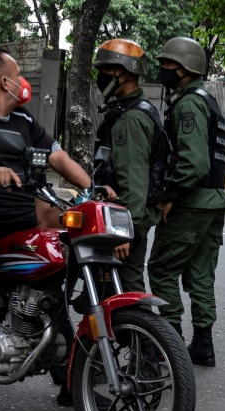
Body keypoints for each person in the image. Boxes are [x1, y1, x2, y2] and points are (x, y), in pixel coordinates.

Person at [0, 48, 113, 369]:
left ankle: (61, 343)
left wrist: (92, 189)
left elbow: (58, 158)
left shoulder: (23, 119)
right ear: (5, 83)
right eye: (18, 75)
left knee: (68, 237)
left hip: (21, 217)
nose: (23, 81)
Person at [146, 37, 225, 367]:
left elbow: (194, 164)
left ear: (187, 69)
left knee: (162, 269)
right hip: (213, 203)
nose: (164, 69)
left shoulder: (189, 104)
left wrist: (170, 194)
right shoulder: (208, 101)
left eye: (170, 64)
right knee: (200, 275)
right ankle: (203, 345)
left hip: (191, 203)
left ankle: (171, 343)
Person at [91, 39, 162, 294]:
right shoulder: (126, 110)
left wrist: (123, 231)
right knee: (110, 287)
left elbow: (134, 178)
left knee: (127, 287)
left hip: (125, 219)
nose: (101, 76)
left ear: (123, 72)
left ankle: (140, 323)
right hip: (122, 214)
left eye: (106, 70)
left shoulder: (131, 117)